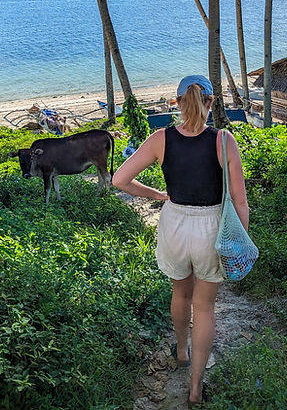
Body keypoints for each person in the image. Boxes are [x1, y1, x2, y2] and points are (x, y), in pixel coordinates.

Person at [112, 75, 249, 406]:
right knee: (205, 306)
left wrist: (159, 194)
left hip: (174, 223)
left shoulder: (161, 139)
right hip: (211, 226)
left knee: (180, 293)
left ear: (176, 104)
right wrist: (237, 242)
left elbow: (120, 179)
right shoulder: (224, 141)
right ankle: (195, 387)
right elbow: (240, 202)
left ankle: (182, 351)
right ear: (210, 102)